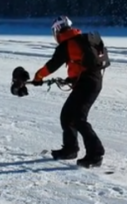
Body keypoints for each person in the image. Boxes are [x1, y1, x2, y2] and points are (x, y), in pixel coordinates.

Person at [32, 15, 110, 168]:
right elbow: (80, 63)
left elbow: (52, 65)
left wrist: (38, 76)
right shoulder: (80, 39)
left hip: (87, 83)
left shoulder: (67, 44)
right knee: (67, 115)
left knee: (78, 118)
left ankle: (95, 154)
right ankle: (70, 149)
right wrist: (72, 79)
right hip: (90, 81)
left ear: (57, 30)